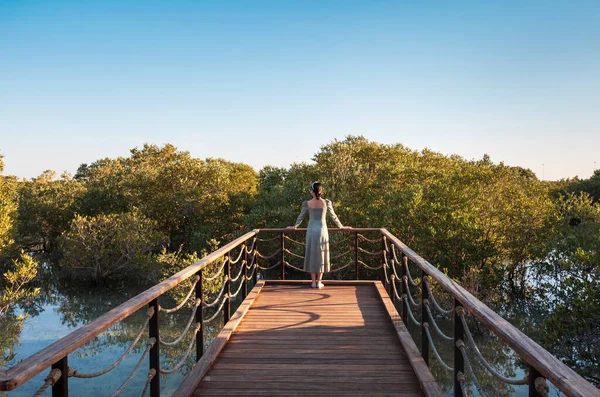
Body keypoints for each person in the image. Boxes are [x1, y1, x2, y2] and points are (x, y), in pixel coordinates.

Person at [288, 182, 350, 288]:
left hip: (311, 231)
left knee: (312, 254)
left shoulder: (307, 203)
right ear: (321, 191)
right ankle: (319, 282)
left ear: (312, 191)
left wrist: (295, 226)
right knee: (322, 254)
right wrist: (341, 227)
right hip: (322, 230)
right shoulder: (326, 202)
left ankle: (313, 282)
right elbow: (333, 216)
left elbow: (301, 217)